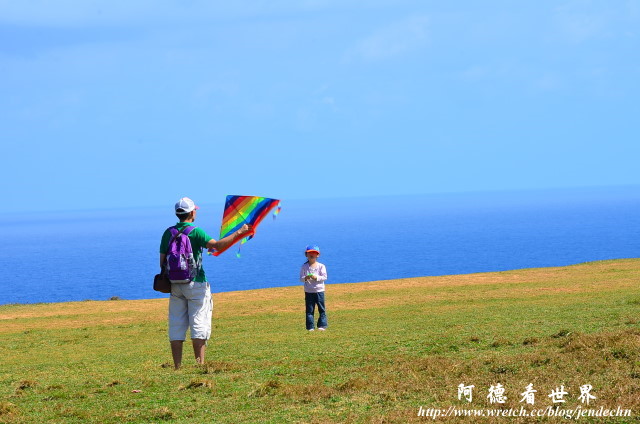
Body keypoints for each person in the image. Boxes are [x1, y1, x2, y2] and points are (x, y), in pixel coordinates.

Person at [159, 197, 252, 369]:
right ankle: (199, 364)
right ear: (192, 212)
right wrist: (239, 232)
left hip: (175, 285)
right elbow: (217, 246)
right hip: (196, 283)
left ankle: (177, 366)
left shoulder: (168, 233)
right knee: (199, 322)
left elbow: (162, 262)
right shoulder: (196, 232)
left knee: (176, 324)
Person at [299, 245, 328, 331]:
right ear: (306, 255)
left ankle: (322, 326)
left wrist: (317, 278)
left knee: (321, 309)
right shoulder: (304, 266)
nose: (312, 255)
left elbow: (324, 277)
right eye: (310, 253)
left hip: (319, 290)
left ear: (317, 255)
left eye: (314, 253)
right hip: (309, 291)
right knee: (309, 310)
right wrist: (305, 278)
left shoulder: (321, 266)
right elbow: (301, 278)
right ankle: (310, 327)